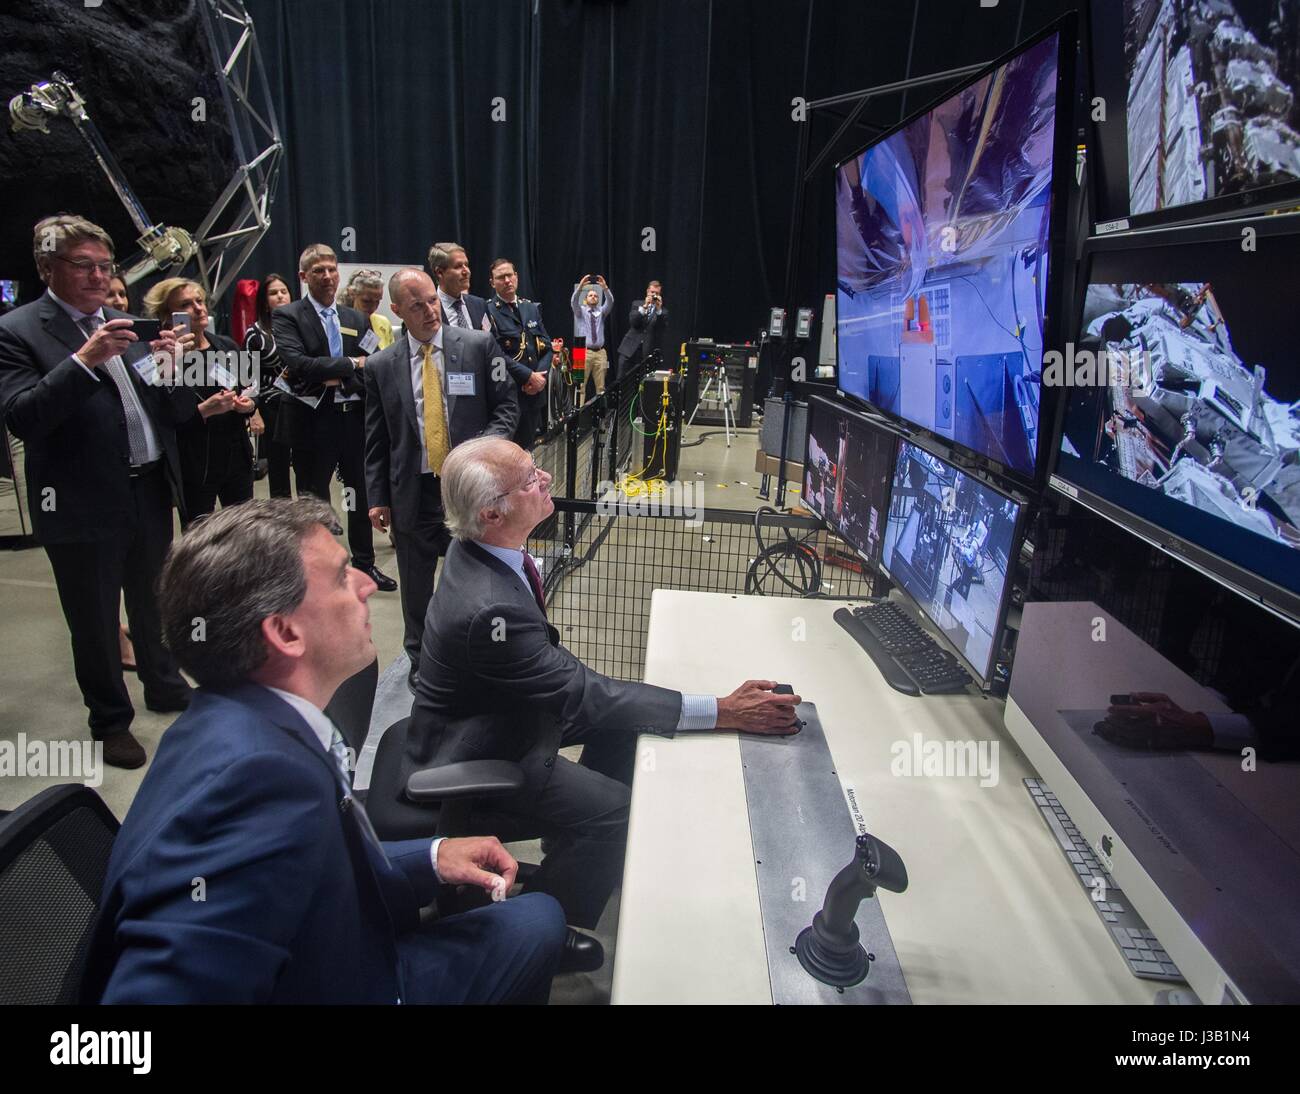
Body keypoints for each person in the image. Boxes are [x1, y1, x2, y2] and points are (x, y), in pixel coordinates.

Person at [79, 498, 565, 1004]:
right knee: (539, 920)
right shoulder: (257, 785)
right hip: (357, 977)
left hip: (339, 949)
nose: (368, 585)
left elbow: (319, 861)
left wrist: (433, 855)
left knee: (537, 919)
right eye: (340, 578)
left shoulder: (231, 719)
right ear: (285, 632)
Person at [408, 436, 802, 966]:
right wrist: (723, 711)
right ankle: (543, 930)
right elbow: (582, 695)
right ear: (492, 511)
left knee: (624, 724)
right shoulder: (486, 608)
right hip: (480, 748)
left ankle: (573, 848)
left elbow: (577, 690)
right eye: (529, 480)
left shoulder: (484, 550)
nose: (545, 479)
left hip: (504, 711)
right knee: (617, 814)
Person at [0, 214, 196, 768]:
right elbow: (23, 418)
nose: (96, 276)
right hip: (80, 499)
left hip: (149, 488)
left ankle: (164, 685)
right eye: (81, 265)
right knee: (93, 617)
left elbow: (170, 414)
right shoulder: (17, 331)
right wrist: (84, 361)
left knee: (154, 598)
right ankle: (110, 720)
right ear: (47, 268)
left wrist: (174, 372)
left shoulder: (127, 324)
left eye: (104, 266)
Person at [364, 268, 518, 692]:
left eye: (433, 300)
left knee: (472, 576)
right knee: (415, 586)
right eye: (417, 305)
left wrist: (477, 455)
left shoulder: (478, 346)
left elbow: (506, 408)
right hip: (413, 491)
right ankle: (419, 659)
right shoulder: (380, 366)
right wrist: (377, 497)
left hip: (467, 489)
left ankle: (473, 652)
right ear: (396, 310)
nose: (431, 310)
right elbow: (376, 438)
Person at [272, 243, 396, 591]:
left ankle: (364, 564)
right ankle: (320, 570)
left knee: (359, 493)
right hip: (313, 421)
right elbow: (298, 365)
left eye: (331, 269)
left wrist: (336, 372)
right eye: (318, 271)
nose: (327, 276)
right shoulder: (289, 316)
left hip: (353, 418)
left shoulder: (355, 318)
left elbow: (373, 366)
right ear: (304, 276)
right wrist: (349, 365)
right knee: (315, 498)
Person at [144, 277, 257, 527]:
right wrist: (204, 411)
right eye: (186, 304)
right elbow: (162, 414)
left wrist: (248, 406)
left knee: (243, 532)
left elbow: (251, 389)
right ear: (167, 315)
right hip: (195, 463)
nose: (198, 308)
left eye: (200, 301)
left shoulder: (226, 345)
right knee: (199, 537)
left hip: (236, 456)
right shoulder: (163, 355)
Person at [485, 259, 551, 450]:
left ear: (517, 277)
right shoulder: (488, 311)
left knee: (527, 450)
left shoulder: (530, 308)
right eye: (501, 277)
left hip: (534, 394)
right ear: (492, 282)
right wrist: (528, 376)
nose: (507, 280)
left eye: (510, 275)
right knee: (506, 453)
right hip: (508, 394)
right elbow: (495, 355)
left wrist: (540, 378)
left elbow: (546, 346)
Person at [243, 273, 294, 498]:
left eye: (284, 291)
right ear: (264, 301)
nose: (280, 296)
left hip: (303, 402)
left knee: (306, 464)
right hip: (272, 406)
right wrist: (253, 412)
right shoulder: (255, 333)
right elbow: (248, 377)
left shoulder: (298, 327)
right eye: (274, 293)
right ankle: (282, 521)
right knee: (279, 465)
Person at [427, 242, 491, 332]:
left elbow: (492, 342)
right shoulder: (427, 310)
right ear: (440, 272)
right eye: (458, 267)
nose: (467, 271)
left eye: (466, 265)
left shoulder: (479, 305)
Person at [570, 275, 614, 400]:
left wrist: (605, 288)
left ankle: (600, 417)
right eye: (590, 295)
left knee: (601, 388)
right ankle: (578, 416)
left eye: (595, 295)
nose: (593, 297)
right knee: (580, 387)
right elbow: (573, 301)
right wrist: (580, 287)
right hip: (581, 351)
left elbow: (610, 302)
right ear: (586, 299)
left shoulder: (601, 312)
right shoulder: (580, 311)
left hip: (600, 352)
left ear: (598, 299)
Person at [617, 279, 668, 381]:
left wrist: (658, 310)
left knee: (642, 382)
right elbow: (633, 322)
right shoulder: (637, 304)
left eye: (657, 293)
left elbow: (661, 329)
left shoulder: (663, 312)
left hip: (647, 351)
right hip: (629, 348)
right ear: (647, 291)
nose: (654, 295)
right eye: (652, 292)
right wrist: (644, 307)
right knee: (621, 379)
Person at [342, 268, 395, 350]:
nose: (373, 308)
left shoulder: (383, 323)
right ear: (352, 294)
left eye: (377, 301)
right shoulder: (340, 322)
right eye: (366, 301)